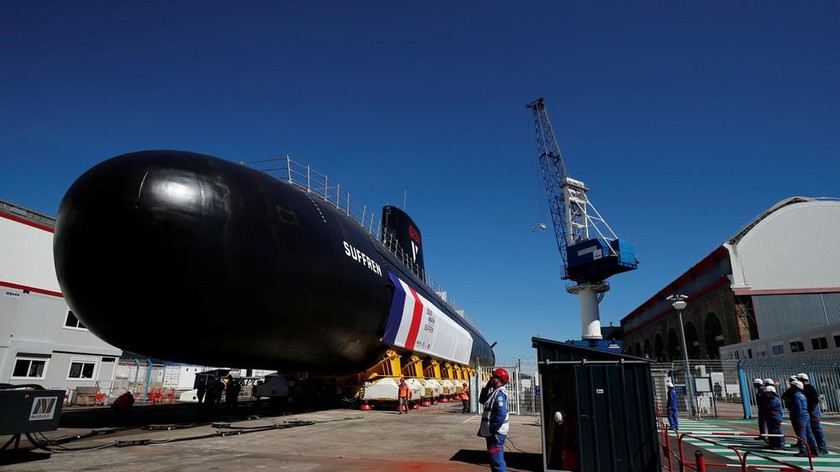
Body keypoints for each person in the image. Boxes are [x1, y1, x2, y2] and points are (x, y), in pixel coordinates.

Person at [477, 368, 510, 472]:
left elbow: (501, 414)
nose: (491, 378)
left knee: (497, 461)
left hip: (496, 433)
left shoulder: (500, 394)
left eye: (494, 377)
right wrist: (486, 387)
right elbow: (482, 400)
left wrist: (493, 429)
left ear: (499, 380)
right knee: (493, 459)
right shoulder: (494, 392)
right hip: (492, 432)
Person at [798, 373, 828, 455]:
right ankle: (815, 446)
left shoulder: (809, 388)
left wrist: (810, 410)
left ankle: (822, 447)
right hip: (810, 410)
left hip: (813, 411)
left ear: (803, 380)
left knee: (816, 428)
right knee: (811, 429)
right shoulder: (804, 389)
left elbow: (815, 400)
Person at [788, 379, 818, 457]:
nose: (791, 387)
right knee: (809, 433)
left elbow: (797, 407)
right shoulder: (802, 395)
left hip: (800, 415)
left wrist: (794, 412)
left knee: (801, 434)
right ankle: (815, 449)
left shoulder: (795, 395)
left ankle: (803, 451)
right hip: (806, 414)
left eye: (793, 386)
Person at [764, 385, 785, 450]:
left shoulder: (774, 400)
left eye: (768, 393)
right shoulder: (769, 399)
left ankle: (780, 444)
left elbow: (770, 407)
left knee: (777, 432)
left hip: (775, 417)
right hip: (770, 417)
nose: (766, 394)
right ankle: (772, 444)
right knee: (771, 432)